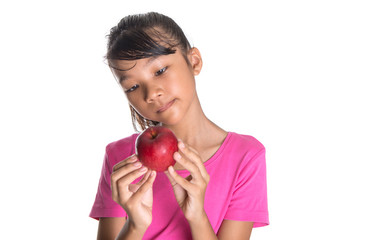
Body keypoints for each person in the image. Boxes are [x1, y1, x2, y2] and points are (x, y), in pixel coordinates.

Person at [89, 12, 269, 239]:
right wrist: (135, 225)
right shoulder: (120, 160)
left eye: (160, 71)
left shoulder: (245, 156)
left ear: (194, 61)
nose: (152, 93)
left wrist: (197, 217)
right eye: (133, 87)